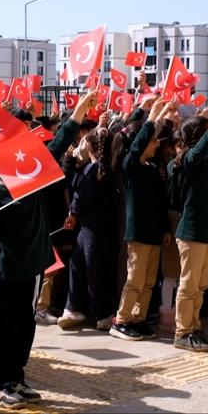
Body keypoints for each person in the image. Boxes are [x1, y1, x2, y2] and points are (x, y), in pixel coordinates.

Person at [0, 90, 94, 409]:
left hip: (33, 268)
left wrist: (78, 113)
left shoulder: (30, 178)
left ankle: (16, 376)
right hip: (6, 273)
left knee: (24, 327)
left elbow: (57, 147)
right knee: (4, 328)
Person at [169, 106, 208, 352]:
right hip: (192, 232)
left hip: (207, 232)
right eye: (207, 131)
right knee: (189, 283)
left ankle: (194, 327)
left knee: (200, 285)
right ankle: (183, 331)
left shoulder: (205, 160)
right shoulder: (189, 159)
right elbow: (202, 149)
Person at [111, 98, 170, 341]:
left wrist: (165, 228)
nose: (157, 144)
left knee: (148, 282)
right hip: (138, 232)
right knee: (135, 279)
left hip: (155, 231)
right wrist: (152, 115)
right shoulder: (131, 165)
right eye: (153, 141)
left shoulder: (152, 167)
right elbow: (136, 148)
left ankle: (139, 318)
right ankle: (122, 320)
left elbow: (160, 202)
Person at [58, 127, 121, 332]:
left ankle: (100, 313)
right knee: (85, 266)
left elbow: (80, 195)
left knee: (89, 269)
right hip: (105, 226)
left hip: (90, 226)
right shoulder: (110, 167)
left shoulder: (93, 169)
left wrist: (73, 213)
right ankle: (77, 308)